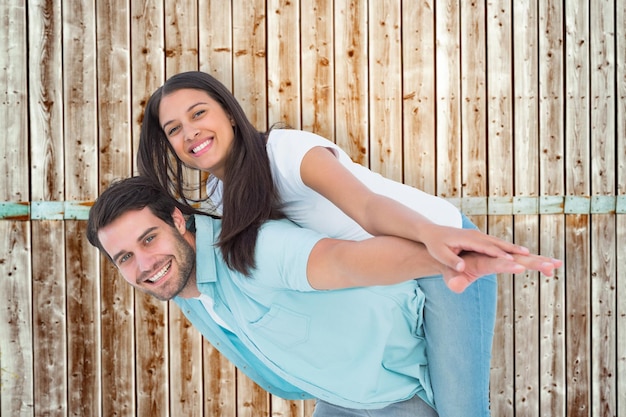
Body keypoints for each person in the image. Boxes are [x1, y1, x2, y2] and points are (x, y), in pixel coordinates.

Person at [136, 71, 561, 416]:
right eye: (175, 129)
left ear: (229, 113)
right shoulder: (217, 196)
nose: (190, 133)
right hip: (384, 277)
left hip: (438, 253)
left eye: (198, 114)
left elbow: (370, 208)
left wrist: (436, 237)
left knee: (459, 409)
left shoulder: (287, 152)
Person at [87, 176, 560, 416]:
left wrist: (453, 260)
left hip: (397, 388)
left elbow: (342, 261)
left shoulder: (252, 250)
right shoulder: (185, 286)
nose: (143, 265)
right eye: (123, 257)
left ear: (176, 220)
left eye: (148, 239)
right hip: (347, 395)